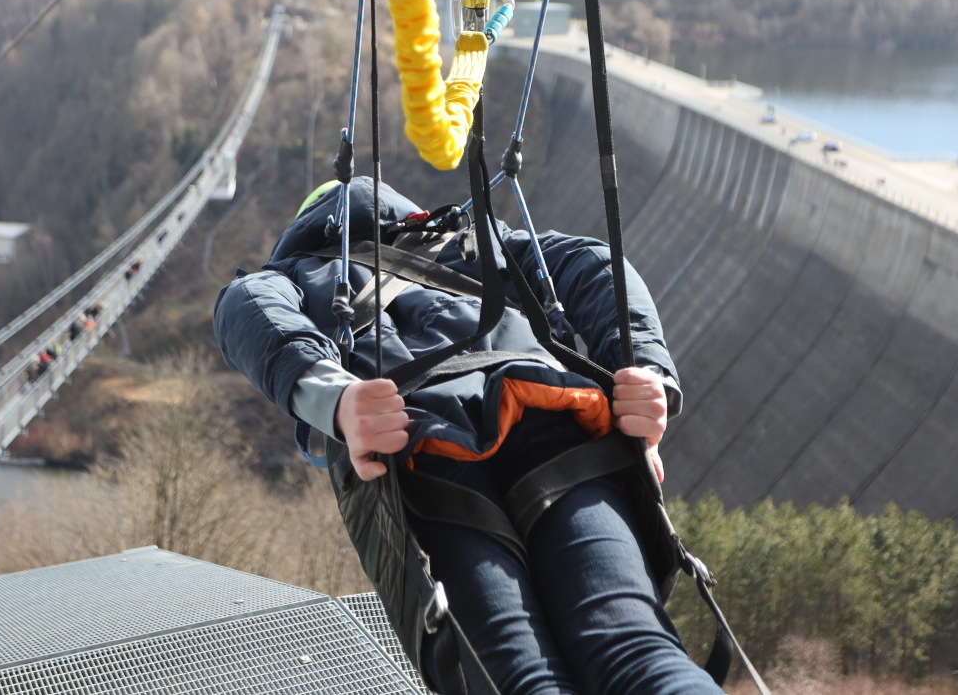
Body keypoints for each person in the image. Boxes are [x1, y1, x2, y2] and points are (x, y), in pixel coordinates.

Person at [215, 178, 720, 695]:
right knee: (635, 650)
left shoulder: (293, 276)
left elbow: (243, 309)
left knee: (517, 678)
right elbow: (590, 263)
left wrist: (337, 397)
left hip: (423, 451)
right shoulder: (471, 240)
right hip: (555, 418)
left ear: (304, 230)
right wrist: (643, 368)